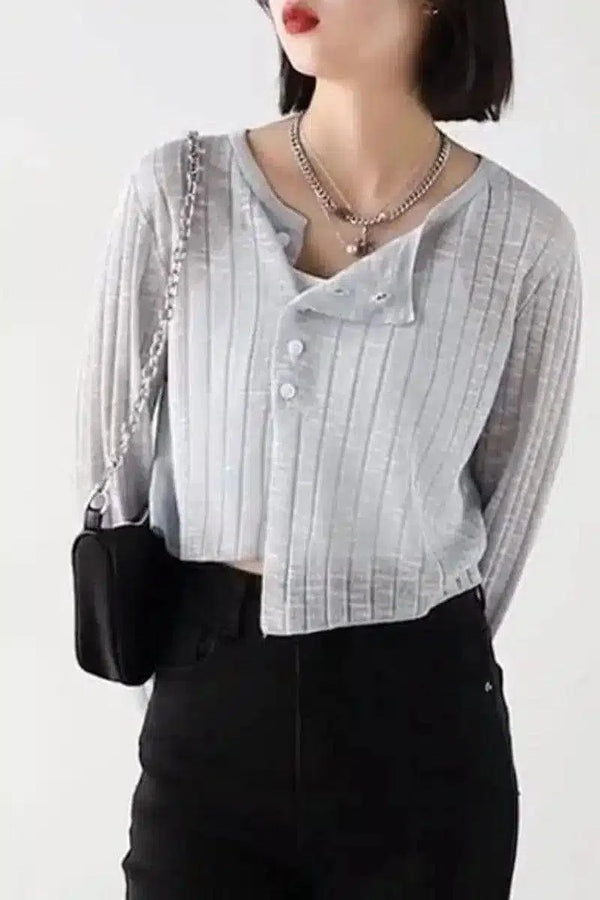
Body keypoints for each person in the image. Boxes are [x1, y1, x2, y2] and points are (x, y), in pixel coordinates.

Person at [74, 1, 583, 897]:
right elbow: (113, 476)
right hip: (207, 726)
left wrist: (408, 657)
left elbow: (509, 512)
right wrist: (189, 670)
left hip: (423, 740)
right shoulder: (179, 194)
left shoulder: (523, 242)